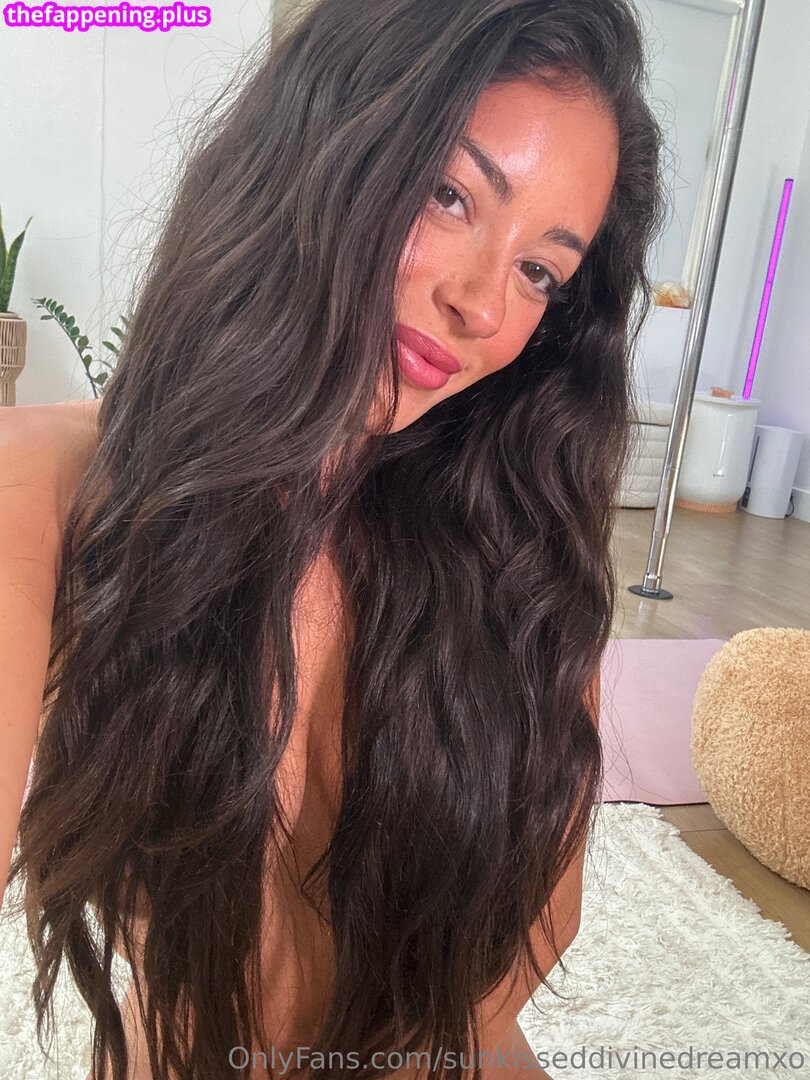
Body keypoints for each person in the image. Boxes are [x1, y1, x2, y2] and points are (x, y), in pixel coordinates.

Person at [0, 0, 664, 1076]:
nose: (482, 304)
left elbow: (531, 940)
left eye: (541, 271)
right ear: (320, 147)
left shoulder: (519, 545)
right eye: (449, 194)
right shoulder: (48, 485)